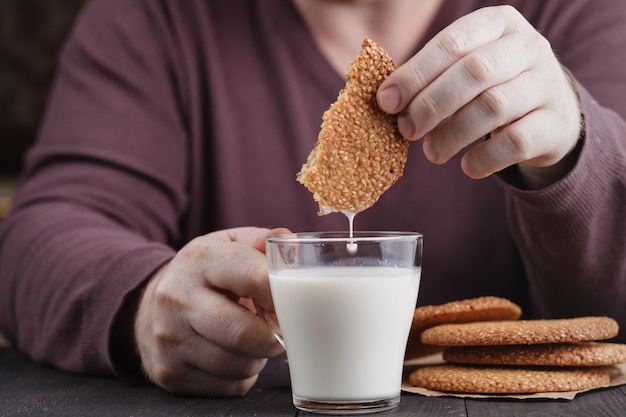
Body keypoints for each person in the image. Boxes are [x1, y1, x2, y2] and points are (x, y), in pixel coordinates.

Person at [0, 0, 625, 397]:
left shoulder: (574, 13)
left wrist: (572, 151)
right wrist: (142, 299)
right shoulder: (155, 18)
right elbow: (41, 235)